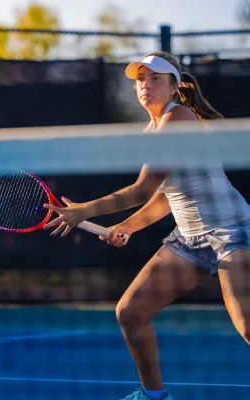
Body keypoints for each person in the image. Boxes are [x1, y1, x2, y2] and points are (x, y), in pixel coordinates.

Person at [43, 51, 250, 400]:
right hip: (188, 239)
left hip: (232, 231)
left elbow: (141, 189)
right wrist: (127, 226)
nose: (146, 85)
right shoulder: (150, 131)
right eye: (141, 79)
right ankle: (154, 397)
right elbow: (165, 197)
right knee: (130, 313)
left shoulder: (180, 118)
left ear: (173, 86)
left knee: (247, 327)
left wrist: (84, 210)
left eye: (155, 78)